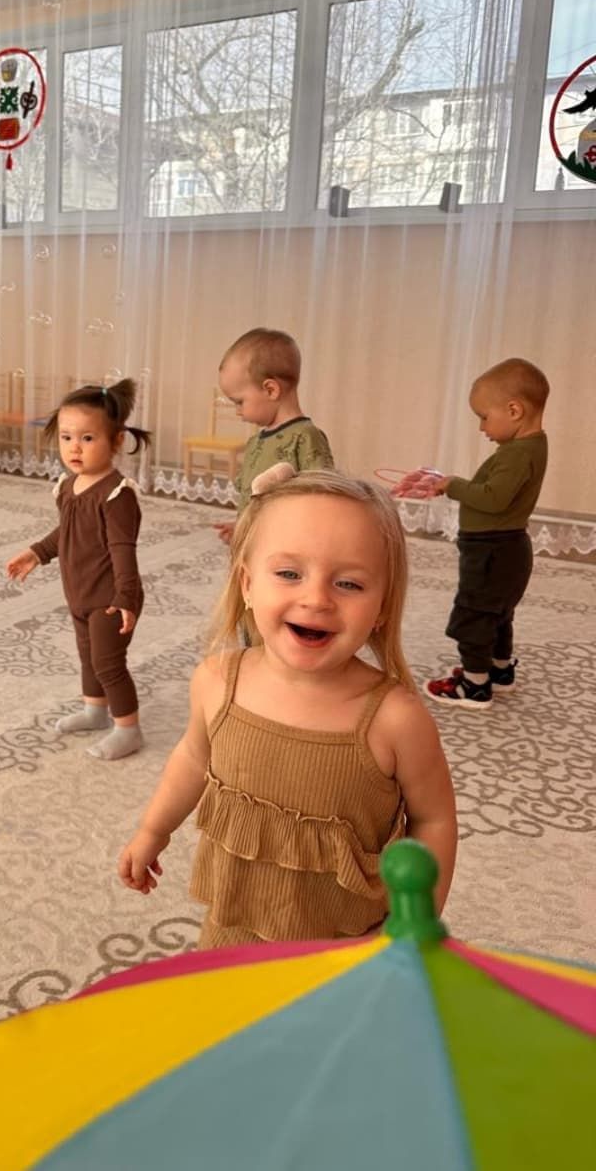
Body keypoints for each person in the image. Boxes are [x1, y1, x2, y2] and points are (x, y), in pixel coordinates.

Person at [118, 468, 457, 947]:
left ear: (383, 605)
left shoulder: (395, 719)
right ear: (247, 584)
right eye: (289, 574)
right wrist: (153, 829)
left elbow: (434, 820)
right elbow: (193, 759)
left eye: (349, 584)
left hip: (349, 944)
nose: (316, 599)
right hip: (233, 927)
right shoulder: (217, 681)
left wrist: (416, 924)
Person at [6, 380, 152, 761]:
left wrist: (126, 597)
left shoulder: (117, 495)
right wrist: (37, 553)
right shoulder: (70, 487)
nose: (74, 447)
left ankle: (129, 729)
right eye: (67, 437)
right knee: (88, 656)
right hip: (80, 592)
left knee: (108, 663)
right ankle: (95, 711)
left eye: (87, 438)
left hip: (110, 598)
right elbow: (68, 532)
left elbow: (123, 551)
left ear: (116, 441)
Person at [423, 358, 549, 709]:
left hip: (492, 550)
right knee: (499, 614)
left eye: (483, 417)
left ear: (514, 410)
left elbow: (494, 499)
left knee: (474, 613)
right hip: (508, 547)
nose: (481, 427)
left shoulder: (516, 455)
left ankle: (475, 685)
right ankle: (500, 670)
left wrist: (453, 485)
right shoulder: (532, 445)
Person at [213, 327, 333, 544]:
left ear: (270, 390)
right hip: (257, 544)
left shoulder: (305, 437)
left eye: (239, 402)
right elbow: (253, 502)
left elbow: (323, 500)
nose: (238, 411)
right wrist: (242, 525)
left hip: (286, 545)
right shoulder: (256, 441)